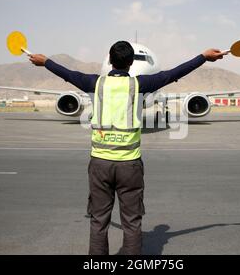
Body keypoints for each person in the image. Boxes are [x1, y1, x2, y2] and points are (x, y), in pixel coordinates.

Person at [29, 41, 224, 255]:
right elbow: (175, 73)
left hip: (100, 164)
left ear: (110, 60)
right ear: (131, 63)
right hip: (129, 165)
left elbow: (67, 74)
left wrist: (45, 61)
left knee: (98, 222)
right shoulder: (139, 85)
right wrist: (203, 57)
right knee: (132, 223)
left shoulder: (96, 83)